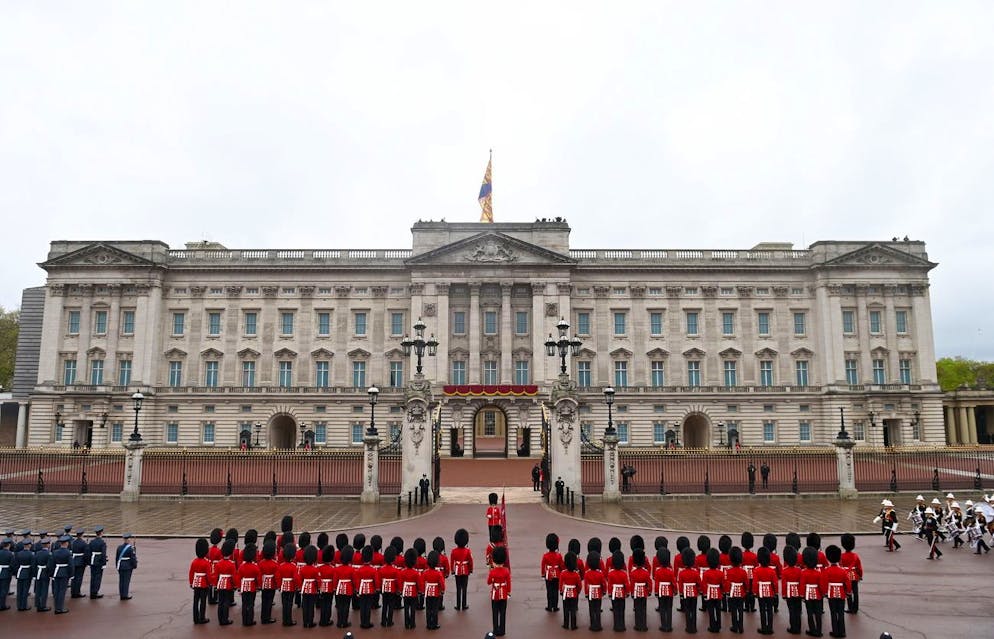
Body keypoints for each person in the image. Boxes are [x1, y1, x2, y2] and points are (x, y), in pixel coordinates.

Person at [822, 545, 851, 638]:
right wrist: (848, 592)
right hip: (841, 594)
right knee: (841, 613)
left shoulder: (827, 570)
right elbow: (847, 582)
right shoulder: (842, 571)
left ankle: (835, 631)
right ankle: (842, 631)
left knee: (833, 613)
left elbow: (824, 583)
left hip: (831, 594)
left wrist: (825, 593)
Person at [753, 547, 778, 635]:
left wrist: (755, 592)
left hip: (761, 593)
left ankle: (764, 628)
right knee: (770, 610)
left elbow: (755, 583)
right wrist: (775, 592)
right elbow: (775, 583)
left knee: (762, 610)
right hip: (770, 592)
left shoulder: (757, 570)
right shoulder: (772, 571)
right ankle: (770, 628)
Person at [487, 546, 510, 637]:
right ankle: (502, 630)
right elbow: (508, 583)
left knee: (495, 612)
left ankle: (496, 630)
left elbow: (488, 582)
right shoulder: (506, 571)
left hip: (495, 594)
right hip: (503, 593)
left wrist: (491, 574)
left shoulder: (493, 572)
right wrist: (508, 592)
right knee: (503, 612)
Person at [801, 546, 824, 638]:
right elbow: (821, 585)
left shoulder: (803, 572)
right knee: (818, 613)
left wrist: (802, 595)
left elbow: (802, 585)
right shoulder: (818, 573)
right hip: (817, 595)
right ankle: (819, 630)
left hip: (808, 595)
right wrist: (822, 594)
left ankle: (812, 630)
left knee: (810, 613)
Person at [653, 546, 677, 632]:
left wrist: (656, 592)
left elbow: (656, 583)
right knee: (669, 608)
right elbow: (673, 582)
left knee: (662, 609)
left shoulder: (658, 571)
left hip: (661, 592)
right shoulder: (670, 571)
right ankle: (669, 626)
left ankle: (664, 625)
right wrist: (675, 590)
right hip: (669, 592)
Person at [189, 538, 212, 625]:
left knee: (195, 601)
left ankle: (195, 618)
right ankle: (202, 618)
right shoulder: (206, 563)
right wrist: (209, 583)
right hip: (204, 584)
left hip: (196, 583)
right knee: (203, 601)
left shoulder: (194, 561)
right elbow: (208, 575)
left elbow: (191, 573)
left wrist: (191, 583)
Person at [677, 547, 700, 634]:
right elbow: (699, 583)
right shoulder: (696, 572)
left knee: (687, 610)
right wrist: (699, 591)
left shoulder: (682, 573)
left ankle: (688, 627)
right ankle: (694, 627)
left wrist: (681, 594)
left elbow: (680, 585)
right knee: (693, 610)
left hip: (685, 593)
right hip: (694, 593)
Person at [725, 546, 748, 634]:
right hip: (741, 593)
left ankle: (735, 626)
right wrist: (745, 591)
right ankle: (741, 627)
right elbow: (746, 583)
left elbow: (727, 583)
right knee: (741, 610)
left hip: (732, 593)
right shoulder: (743, 572)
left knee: (734, 610)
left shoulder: (729, 571)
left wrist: (727, 592)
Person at [781, 545, 803, 635]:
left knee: (792, 611)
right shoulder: (799, 570)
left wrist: (784, 595)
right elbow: (801, 583)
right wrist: (801, 593)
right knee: (798, 610)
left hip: (789, 593)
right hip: (798, 593)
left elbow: (784, 584)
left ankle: (793, 627)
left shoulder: (784, 571)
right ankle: (798, 627)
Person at [49, 535, 73, 614]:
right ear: (66, 543)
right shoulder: (68, 553)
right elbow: (71, 565)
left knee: (56, 590)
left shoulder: (55, 552)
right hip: (64, 573)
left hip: (56, 573)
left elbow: (51, 564)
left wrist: (52, 574)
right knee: (62, 591)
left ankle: (56, 606)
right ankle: (59, 608)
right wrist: (71, 574)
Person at [237, 543, 260, 626]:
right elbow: (258, 578)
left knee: (244, 604)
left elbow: (238, 577)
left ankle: (244, 620)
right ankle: (250, 620)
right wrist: (258, 586)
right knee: (251, 604)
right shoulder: (255, 567)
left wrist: (239, 587)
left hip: (243, 586)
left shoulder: (241, 566)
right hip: (252, 587)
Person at [450, 528, 473, 611]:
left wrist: (452, 570)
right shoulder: (467, 551)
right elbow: (470, 561)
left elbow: (452, 561)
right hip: (465, 570)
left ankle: (458, 605)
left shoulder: (454, 551)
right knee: (464, 588)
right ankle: (464, 605)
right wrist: (471, 569)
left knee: (458, 588)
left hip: (457, 570)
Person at [839, 534, 862, 614]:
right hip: (854, 576)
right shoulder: (855, 556)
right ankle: (855, 608)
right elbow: (859, 567)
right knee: (855, 592)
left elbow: (841, 566)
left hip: (846, 576)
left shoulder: (841, 556)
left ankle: (850, 607)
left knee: (848, 591)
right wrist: (860, 575)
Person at [630, 548, 652, 632]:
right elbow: (649, 582)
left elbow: (632, 584)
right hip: (644, 592)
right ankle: (644, 625)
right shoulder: (646, 572)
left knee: (637, 609)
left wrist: (632, 593)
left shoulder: (633, 572)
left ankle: (638, 625)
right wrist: (649, 591)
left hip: (636, 592)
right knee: (643, 609)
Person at [584, 550, 606, 631]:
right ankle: (598, 625)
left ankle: (592, 625)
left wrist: (586, 593)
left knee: (591, 609)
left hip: (590, 593)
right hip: (598, 593)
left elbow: (586, 585)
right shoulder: (600, 573)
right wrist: (604, 591)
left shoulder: (587, 573)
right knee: (597, 609)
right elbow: (603, 584)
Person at [258, 541, 279, 625]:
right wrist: (278, 585)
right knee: (269, 601)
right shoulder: (275, 564)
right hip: (271, 585)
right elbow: (277, 576)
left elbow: (259, 575)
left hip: (264, 584)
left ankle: (263, 617)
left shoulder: (261, 563)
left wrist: (259, 585)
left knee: (264, 601)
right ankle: (267, 618)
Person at [400, 548, 422, 629]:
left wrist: (401, 590)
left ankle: (406, 623)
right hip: (413, 593)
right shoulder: (416, 573)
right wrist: (420, 591)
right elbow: (419, 584)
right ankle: (412, 623)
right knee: (413, 609)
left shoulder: (402, 572)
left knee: (406, 608)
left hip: (405, 592)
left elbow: (401, 583)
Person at [559, 551, 582, 630]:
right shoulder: (576, 574)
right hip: (574, 594)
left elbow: (560, 584)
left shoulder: (563, 573)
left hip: (565, 593)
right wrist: (577, 591)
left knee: (565, 609)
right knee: (573, 610)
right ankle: (573, 625)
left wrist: (561, 591)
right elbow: (579, 585)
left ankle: (566, 624)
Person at [423, 550, 445, 630]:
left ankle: (429, 624)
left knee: (428, 608)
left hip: (428, 592)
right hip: (436, 592)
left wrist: (423, 590)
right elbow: (442, 583)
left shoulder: (425, 572)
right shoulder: (438, 573)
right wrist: (442, 590)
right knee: (435, 609)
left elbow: (422, 582)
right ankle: (434, 624)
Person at [541, 533, 563, 612]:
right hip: (557, 574)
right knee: (555, 591)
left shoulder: (545, 555)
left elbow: (543, 565)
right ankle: (555, 606)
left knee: (549, 591)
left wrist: (543, 574)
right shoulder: (559, 555)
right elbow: (561, 565)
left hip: (548, 575)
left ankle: (550, 606)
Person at [277, 543, 299, 626]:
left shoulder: (281, 566)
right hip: (291, 587)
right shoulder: (293, 566)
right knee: (289, 604)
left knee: (284, 604)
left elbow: (278, 577)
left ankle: (284, 620)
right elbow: (295, 578)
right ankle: (289, 620)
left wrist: (279, 586)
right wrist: (297, 586)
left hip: (283, 587)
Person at [334, 545, 355, 628]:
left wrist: (335, 588)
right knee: (346, 606)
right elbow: (354, 580)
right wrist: (355, 588)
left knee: (340, 606)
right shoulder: (351, 569)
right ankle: (344, 622)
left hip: (339, 589)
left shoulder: (337, 569)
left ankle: (339, 622)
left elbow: (335, 580)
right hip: (348, 589)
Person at [378, 546, 399, 626]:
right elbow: (397, 581)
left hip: (384, 589)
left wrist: (380, 588)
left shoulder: (381, 569)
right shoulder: (395, 570)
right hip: (392, 589)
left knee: (384, 605)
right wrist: (398, 590)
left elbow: (379, 580)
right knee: (391, 606)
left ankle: (383, 621)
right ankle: (389, 621)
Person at [115, 533, 138, 601]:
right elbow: (133, 558)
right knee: (126, 581)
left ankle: (122, 594)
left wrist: (117, 566)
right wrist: (135, 565)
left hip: (120, 566)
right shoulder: (131, 548)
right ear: (128, 539)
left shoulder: (119, 547)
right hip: (127, 566)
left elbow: (117, 558)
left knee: (121, 581)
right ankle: (125, 595)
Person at [14, 538, 35, 611]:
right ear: (29, 545)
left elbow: (16, 565)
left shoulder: (18, 553)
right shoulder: (31, 554)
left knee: (19, 590)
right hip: (27, 573)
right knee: (25, 590)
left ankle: (19, 605)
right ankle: (24, 606)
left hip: (20, 573)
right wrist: (32, 575)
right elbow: (33, 566)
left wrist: (16, 573)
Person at [33, 536, 52, 611]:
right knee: (44, 590)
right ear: (48, 545)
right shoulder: (49, 554)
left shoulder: (38, 553)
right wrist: (49, 574)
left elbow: (34, 564)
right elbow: (49, 566)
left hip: (38, 572)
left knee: (38, 589)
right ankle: (43, 605)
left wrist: (35, 573)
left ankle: (37, 604)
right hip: (45, 573)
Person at [69, 528, 88, 600]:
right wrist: (86, 562)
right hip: (80, 562)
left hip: (74, 561)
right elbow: (86, 554)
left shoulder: (73, 542)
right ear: (82, 534)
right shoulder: (84, 543)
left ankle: (73, 592)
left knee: (73, 578)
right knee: (79, 578)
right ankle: (77, 592)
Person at [0, 536, 13, 611]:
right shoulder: (10, 554)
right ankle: (2, 605)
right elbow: (12, 565)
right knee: (4, 590)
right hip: (6, 573)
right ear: (9, 545)